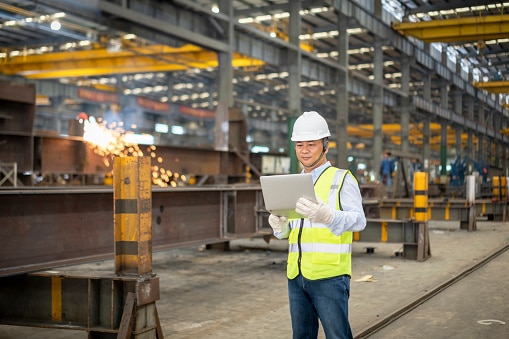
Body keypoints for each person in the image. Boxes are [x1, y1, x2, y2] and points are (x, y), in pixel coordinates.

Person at [268, 111, 367, 339]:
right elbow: (293, 231)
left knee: (337, 336)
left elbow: (359, 220)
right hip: (297, 275)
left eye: (311, 144)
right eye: (299, 145)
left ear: (325, 145)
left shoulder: (342, 179)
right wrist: (280, 226)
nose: (304, 150)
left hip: (330, 277)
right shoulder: (294, 182)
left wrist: (329, 216)